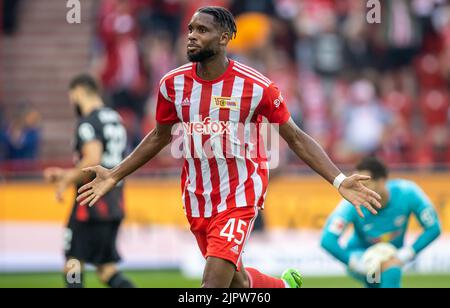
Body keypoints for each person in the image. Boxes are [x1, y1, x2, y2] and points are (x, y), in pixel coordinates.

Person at [77, 7, 381, 288]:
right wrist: (115, 174)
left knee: (211, 286)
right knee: (238, 284)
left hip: (240, 195)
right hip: (197, 198)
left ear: (224, 38)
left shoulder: (256, 87)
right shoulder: (172, 85)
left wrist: (339, 180)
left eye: (202, 30)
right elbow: (159, 136)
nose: (192, 35)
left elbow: (296, 137)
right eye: (190, 29)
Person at [44, 75, 135, 288]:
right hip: (114, 203)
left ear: (79, 92)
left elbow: (92, 160)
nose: (71, 102)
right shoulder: (115, 118)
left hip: (90, 202)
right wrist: (66, 175)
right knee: (107, 270)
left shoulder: (88, 122)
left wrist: (66, 178)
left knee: (73, 263)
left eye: (71, 96)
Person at [321, 157, 441, 288]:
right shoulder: (352, 203)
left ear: (382, 181)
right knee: (390, 270)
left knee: (380, 278)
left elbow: (433, 228)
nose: (358, 189)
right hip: (360, 254)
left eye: (364, 185)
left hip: (393, 254)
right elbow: (327, 240)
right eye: (356, 185)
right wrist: (357, 264)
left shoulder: (407, 193)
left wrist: (406, 254)